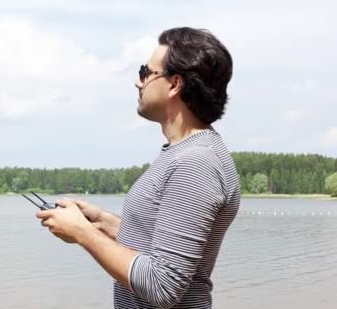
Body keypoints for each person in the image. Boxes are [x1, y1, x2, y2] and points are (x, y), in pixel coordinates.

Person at [36, 27, 241, 309]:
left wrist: (84, 234)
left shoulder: (196, 163)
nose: (137, 82)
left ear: (174, 84)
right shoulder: (184, 154)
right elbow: (158, 244)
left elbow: (162, 287)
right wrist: (103, 222)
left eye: (146, 72)